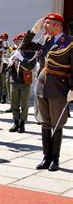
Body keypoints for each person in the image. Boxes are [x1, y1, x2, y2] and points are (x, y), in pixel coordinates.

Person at [20, 13, 73, 171]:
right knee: (45, 122)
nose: (45, 25)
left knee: (56, 124)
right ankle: (46, 157)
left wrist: (72, 88)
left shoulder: (69, 43)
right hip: (42, 86)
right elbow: (24, 47)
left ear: (58, 25)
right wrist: (33, 31)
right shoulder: (45, 39)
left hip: (59, 88)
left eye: (48, 23)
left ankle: (55, 159)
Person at [7, 32, 36, 133]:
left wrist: (21, 58)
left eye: (23, 40)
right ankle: (16, 122)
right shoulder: (14, 52)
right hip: (14, 80)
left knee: (24, 104)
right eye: (20, 40)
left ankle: (22, 124)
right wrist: (9, 63)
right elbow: (9, 67)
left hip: (25, 80)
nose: (21, 42)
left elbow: (30, 66)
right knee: (14, 103)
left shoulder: (31, 52)